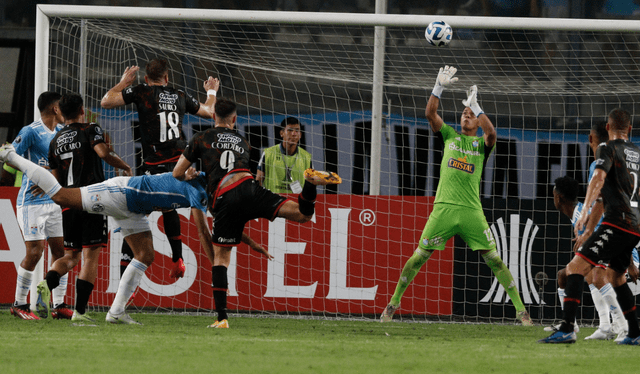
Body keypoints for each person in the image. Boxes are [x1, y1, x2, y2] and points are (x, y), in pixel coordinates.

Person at [0, 143, 220, 325]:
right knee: (60, 196)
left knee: (145, 254)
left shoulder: (201, 186)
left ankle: (115, 312)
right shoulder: (196, 187)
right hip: (120, 192)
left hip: (132, 209)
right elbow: (203, 231)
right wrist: (216, 268)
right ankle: (11, 155)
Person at [380, 65, 533, 326]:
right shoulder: (449, 136)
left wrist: (477, 105)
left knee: (495, 260)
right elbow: (430, 113)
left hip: (471, 211)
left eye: (471, 114)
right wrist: (438, 86)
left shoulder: (481, 146)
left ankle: (522, 312)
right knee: (418, 257)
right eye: (464, 112)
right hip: (444, 209)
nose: (466, 115)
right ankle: (392, 305)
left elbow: (492, 133)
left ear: (477, 121)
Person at [172, 97, 342, 328]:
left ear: (213, 117)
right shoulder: (244, 142)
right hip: (250, 188)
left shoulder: (201, 138)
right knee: (303, 214)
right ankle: (309, 184)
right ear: (234, 119)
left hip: (225, 196)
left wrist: (188, 175)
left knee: (221, 258)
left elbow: (176, 173)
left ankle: (222, 318)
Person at [100, 58, 219, 280]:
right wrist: (211, 92)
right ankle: (178, 258)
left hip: (153, 164)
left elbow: (106, 102)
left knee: (134, 214)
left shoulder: (141, 91)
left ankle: (126, 277)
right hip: (179, 164)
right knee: (171, 206)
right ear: (167, 78)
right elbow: (209, 112)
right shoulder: (180, 95)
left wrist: (123, 82)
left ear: (146, 78)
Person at [539, 108, 640, 345]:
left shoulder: (607, 148)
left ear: (608, 128)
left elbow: (598, 179)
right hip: (635, 227)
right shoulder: (637, 153)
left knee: (575, 268)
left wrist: (583, 213)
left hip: (617, 224)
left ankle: (566, 329)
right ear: (631, 130)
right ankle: (634, 333)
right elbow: (605, 199)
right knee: (616, 278)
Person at [34, 93, 133, 322]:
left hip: (68, 201)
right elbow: (103, 153)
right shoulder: (90, 129)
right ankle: (79, 312)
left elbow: (56, 179)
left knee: (70, 256)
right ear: (81, 111)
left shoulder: (55, 141)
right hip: (92, 199)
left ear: (61, 112)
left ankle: (45, 283)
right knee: (90, 258)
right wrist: (125, 166)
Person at [7, 91, 71, 320]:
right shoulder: (31, 131)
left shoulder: (63, 133)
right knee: (34, 253)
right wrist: (35, 173)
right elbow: (8, 154)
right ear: (55, 108)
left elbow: (66, 166)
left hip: (56, 200)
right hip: (32, 202)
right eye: (61, 106)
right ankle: (19, 305)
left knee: (60, 252)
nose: (64, 110)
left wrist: (50, 174)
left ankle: (59, 304)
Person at [550, 175, 631, 341]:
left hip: (625, 257)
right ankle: (576, 323)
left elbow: (611, 234)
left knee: (593, 274)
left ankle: (621, 327)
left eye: (553, 196)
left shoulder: (583, 215)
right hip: (612, 254)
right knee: (564, 275)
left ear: (559, 198)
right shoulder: (578, 215)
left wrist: (630, 264)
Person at [256, 116, 312, 194]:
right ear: (281, 133)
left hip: (296, 203)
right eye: (290, 130)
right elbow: (258, 180)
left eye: (297, 130)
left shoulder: (306, 157)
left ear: (300, 135)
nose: (293, 134)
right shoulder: (269, 153)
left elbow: (310, 184)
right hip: (273, 202)